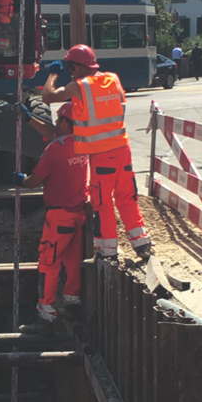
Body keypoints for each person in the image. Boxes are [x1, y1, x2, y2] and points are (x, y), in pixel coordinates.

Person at [40, 44, 152, 261]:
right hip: (123, 149)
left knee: (102, 202)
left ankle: (108, 250)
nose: (71, 72)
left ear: (78, 67)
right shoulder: (113, 79)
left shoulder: (80, 86)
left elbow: (47, 97)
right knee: (127, 196)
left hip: (103, 154)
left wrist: (53, 74)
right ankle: (142, 244)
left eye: (71, 68)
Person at [13, 102, 89, 334]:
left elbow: (34, 181)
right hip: (79, 214)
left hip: (59, 217)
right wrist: (28, 119)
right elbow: (52, 133)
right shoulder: (83, 142)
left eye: (58, 120)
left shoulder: (55, 150)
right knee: (73, 262)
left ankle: (45, 314)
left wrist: (21, 180)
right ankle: (71, 304)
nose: (55, 124)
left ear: (66, 122)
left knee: (48, 264)